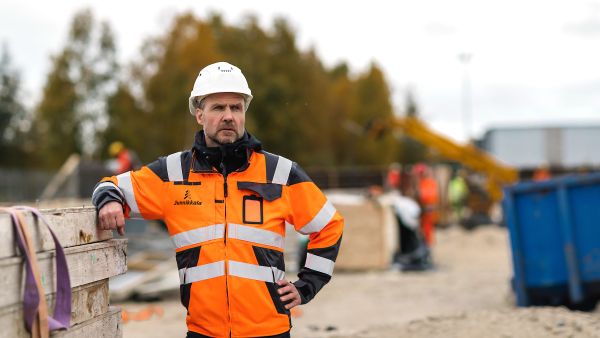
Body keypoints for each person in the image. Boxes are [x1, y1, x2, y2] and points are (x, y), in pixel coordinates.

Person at [92, 62, 344, 338]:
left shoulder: (279, 173)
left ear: (244, 112)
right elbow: (110, 186)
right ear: (199, 115)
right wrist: (110, 200)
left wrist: (307, 285)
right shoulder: (172, 174)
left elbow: (329, 224)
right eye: (218, 108)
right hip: (203, 332)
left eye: (236, 108)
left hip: (269, 331)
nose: (228, 116)